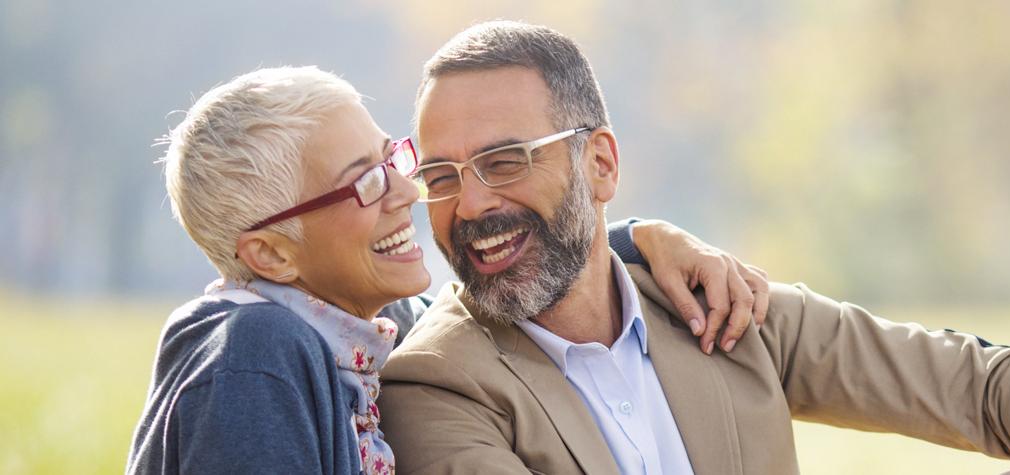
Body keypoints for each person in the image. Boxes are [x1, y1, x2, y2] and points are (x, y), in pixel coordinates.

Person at [378, 21, 1010, 475]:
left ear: (602, 164)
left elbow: (983, 383)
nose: (472, 204)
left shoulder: (718, 307)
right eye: (442, 176)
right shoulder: (434, 385)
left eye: (506, 160)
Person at [126, 66, 770, 475]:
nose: (409, 193)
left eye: (393, 161)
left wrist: (639, 241)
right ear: (271, 254)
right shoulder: (254, 360)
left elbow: (515, 290)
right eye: (366, 184)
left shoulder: (382, 328)